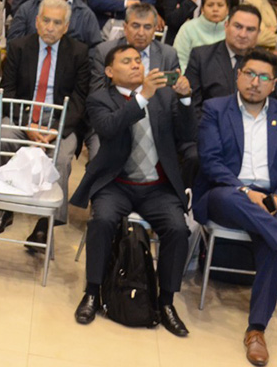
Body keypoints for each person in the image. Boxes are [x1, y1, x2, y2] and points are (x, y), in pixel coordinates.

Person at [194, 50, 277, 366]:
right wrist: (245, 191)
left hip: (271, 199)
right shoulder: (215, 109)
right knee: (233, 199)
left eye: (264, 77)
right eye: (250, 74)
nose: (255, 82)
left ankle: (256, 331)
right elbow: (211, 162)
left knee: (274, 248)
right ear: (238, 75)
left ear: (274, 83)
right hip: (225, 194)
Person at [71, 44, 195, 337]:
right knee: (101, 221)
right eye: (126, 61)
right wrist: (141, 98)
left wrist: (186, 98)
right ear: (110, 72)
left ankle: (166, 302)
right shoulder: (100, 99)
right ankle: (92, 291)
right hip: (116, 184)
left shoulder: (164, 95)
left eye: (138, 60)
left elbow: (188, 134)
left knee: (178, 229)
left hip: (157, 187)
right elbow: (110, 128)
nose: (136, 65)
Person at [0, 0, 91, 241]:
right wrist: (27, 124)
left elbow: (79, 99)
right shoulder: (19, 47)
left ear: (66, 26)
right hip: (23, 116)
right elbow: (8, 91)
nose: (50, 27)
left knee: (62, 157)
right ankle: (5, 205)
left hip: (59, 121)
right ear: (36, 21)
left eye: (57, 22)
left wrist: (55, 129)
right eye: (46, 21)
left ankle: (48, 220)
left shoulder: (79, 52)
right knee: (2, 137)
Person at [186, 5, 277, 117]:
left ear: (259, 33)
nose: (243, 35)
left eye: (250, 29)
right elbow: (192, 107)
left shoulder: (276, 64)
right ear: (226, 26)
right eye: (238, 27)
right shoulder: (202, 57)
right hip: (213, 128)